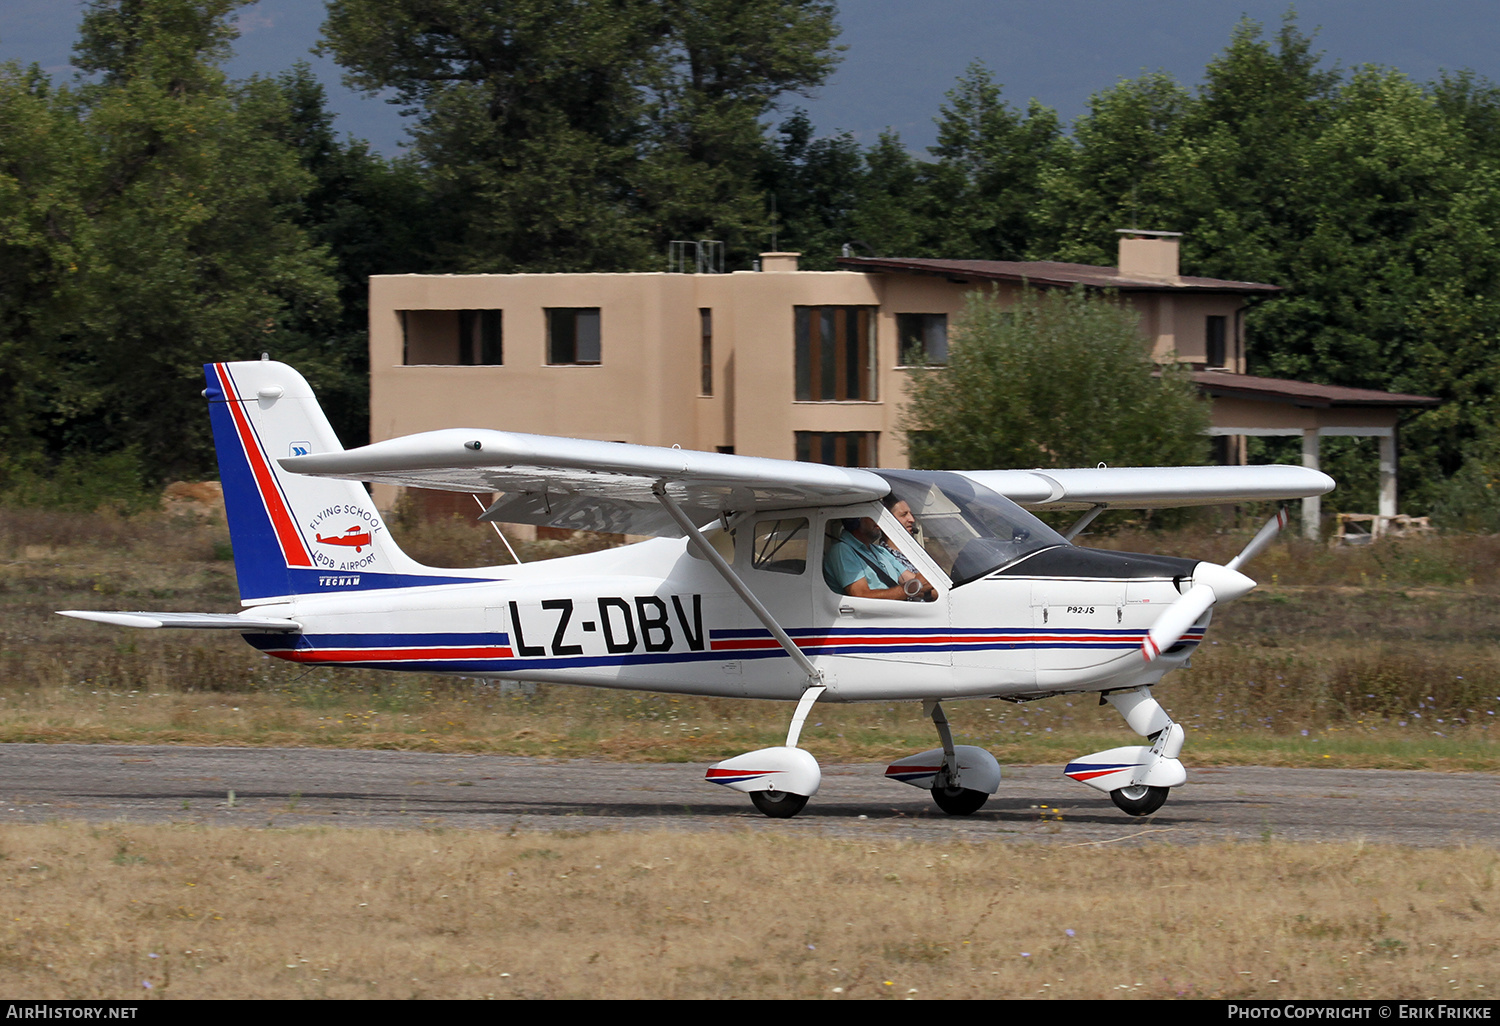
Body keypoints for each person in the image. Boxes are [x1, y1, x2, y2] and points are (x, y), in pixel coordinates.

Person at [823, 511, 936, 602]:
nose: (879, 521)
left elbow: (912, 579)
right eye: (874, 515)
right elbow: (861, 596)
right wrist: (909, 589)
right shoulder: (842, 551)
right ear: (854, 520)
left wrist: (938, 589)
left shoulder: (880, 551)